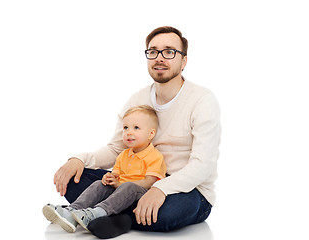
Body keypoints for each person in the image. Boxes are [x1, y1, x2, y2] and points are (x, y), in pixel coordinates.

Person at [53, 26, 221, 239]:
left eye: (169, 51)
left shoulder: (202, 100)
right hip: (135, 181)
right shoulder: (137, 99)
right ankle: (107, 212)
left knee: (166, 213)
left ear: (184, 61)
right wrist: (78, 159)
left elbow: (202, 165)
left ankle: (109, 215)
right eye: (153, 51)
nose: (160, 58)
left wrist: (161, 189)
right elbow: (116, 148)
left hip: (187, 189)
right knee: (74, 179)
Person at [43, 105, 166, 234]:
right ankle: (72, 212)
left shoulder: (155, 156)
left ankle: (97, 213)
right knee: (99, 184)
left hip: (140, 193)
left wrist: (120, 184)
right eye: (125, 128)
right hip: (120, 190)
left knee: (128, 187)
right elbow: (115, 175)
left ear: (151, 133)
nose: (129, 132)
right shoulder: (123, 155)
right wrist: (109, 178)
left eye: (136, 128)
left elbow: (149, 182)